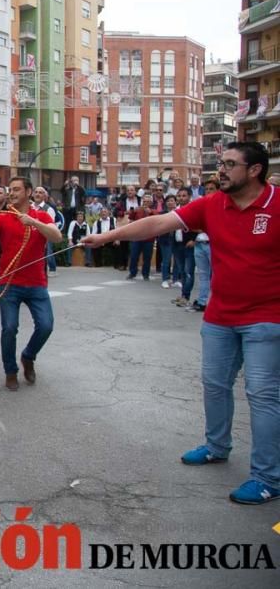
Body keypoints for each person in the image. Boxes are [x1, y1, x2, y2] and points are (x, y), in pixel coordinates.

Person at [82, 142, 279, 505]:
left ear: (254, 171)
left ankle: (268, 477)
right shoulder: (211, 204)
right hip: (220, 315)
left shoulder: (277, 205)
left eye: (230, 164)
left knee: (263, 395)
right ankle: (217, 446)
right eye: (221, 163)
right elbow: (158, 223)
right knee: (214, 384)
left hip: (267, 318)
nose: (221, 170)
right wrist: (110, 236)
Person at [0, 177, 63, 391]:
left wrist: (33, 223)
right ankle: (10, 371)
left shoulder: (41, 215)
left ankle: (28, 356)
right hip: (9, 284)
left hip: (36, 285)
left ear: (28, 192)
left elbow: (57, 237)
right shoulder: (3, 217)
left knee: (46, 326)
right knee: (9, 328)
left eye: (16, 189)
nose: (11, 193)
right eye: (10, 190)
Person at [191, 178, 220, 313]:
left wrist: (206, 227)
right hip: (199, 243)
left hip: (213, 244)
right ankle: (202, 301)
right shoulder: (201, 204)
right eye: (207, 189)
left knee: (216, 275)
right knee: (203, 275)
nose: (208, 191)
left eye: (212, 189)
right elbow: (192, 225)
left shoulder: (221, 204)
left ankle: (216, 303)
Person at [126, 195, 156, 281]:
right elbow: (130, 219)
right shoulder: (137, 210)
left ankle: (145, 274)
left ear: (151, 203)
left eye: (148, 202)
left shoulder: (154, 211)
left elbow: (155, 220)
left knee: (147, 258)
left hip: (149, 238)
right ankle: (132, 273)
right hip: (137, 237)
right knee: (134, 256)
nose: (145, 203)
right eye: (144, 201)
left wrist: (149, 212)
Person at [32, 186, 58, 276]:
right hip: (30, 237)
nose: (37, 194)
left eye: (40, 192)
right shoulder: (29, 207)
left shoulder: (49, 209)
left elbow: (51, 226)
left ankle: (51, 270)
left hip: (44, 237)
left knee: (46, 254)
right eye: (36, 192)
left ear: (44, 196)